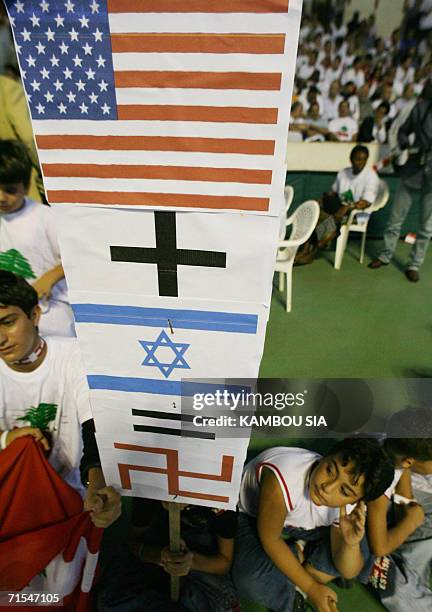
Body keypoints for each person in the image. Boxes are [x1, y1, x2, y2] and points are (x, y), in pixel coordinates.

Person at [0, 271, 121, 589]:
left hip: (72, 501)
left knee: (62, 588)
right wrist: (6, 439)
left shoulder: (74, 355)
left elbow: (95, 420)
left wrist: (96, 482)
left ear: (35, 314)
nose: (0, 337)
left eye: (8, 321)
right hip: (12, 504)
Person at [231, 438, 394, 612]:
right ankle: (294, 590)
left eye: (344, 491)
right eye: (330, 469)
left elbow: (349, 571)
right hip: (250, 515)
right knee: (250, 578)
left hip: (300, 523)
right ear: (326, 456)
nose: (327, 487)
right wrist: (311, 588)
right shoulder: (284, 475)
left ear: (358, 500)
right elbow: (270, 539)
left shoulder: (349, 507)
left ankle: (299, 553)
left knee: (358, 547)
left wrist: (350, 543)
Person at [97, 499, 239, 611]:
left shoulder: (222, 498)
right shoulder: (148, 487)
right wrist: (159, 556)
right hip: (156, 552)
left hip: (202, 562)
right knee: (109, 601)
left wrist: (189, 562)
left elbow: (224, 562)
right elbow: (133, 542)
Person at [0, 140, 75, 336]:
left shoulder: (44, 216)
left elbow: (75, 255)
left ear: (25, 187)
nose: (1, 197)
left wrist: (49, 278)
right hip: (8, 317)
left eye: (10, 190)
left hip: (51, 309)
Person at [367, 408, 432, 610]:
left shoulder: (387, 445)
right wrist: (410, 522)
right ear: (410, 461)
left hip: (384, 524)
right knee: (397, 586)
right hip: (362, 536)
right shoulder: (380, 483)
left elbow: (404, 498)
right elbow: (379, 547)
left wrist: (408, 511)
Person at [369, 93, 432, 282]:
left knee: (427, 227)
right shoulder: (421, 107)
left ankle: (414, 264)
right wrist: (404, 144)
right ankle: (385, 254)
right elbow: (402, 131)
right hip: (414, 167)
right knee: (396, 218)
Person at [295, 145, 380, 264]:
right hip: (339, 207)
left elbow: (365, 203)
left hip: (357, 214)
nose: (360, 162)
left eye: (363, 159)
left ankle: (312, 253)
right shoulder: (344, 172)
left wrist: (348, 207)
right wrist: (320, 200)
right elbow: (333, 192)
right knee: (314, 212)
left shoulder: (371, 177)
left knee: (332, 220)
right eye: (357, 159)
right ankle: (304, 251)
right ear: (351, 159)